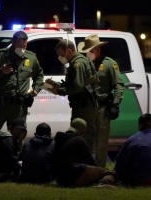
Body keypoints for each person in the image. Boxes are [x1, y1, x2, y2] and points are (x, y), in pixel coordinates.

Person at [0, 31, 44, 139]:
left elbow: (39, 75)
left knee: (17, 138)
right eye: (19, 45)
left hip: (19, 107)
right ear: (13, 42)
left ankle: (15, 156)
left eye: (24, 46)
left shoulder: (31, 58)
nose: (22, 48)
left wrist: (36, 89)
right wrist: (1, 71)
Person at [77, 34, 125, 167]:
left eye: (91, 51)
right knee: (87, 138)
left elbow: (119, 85)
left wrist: (116, 103)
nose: (88, 54)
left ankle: (100, 169)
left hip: (102, 106)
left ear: (98, 50)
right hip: (86, 106)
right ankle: (88, 168)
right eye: (87, 51)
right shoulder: (83, 64)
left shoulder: (109, 64)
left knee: (101, 140)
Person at [45, 39, 99, 153]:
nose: (60, 57)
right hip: (83, 104)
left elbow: (77, 87)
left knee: (84, 136)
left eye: (61, 54)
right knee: (82, 135)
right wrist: (55, 85)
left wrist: (59, 90)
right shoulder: (77, 62)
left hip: (84, 105)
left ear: (69, 51)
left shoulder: (77, 64)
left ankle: (88, 164)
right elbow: (73, 84)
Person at [54, 118, 117, 188]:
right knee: (109, 173)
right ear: (83, 131)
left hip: (61, 179)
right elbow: (90, 161)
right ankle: (101, 183)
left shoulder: (60, 139)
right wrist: (98, 171)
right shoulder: (79, 140)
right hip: (74, 176)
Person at [0, 118, 27, 182]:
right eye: (17, 129)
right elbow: (12, 161)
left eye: (22, 131)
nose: (20, 133)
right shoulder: (8, 140)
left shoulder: (5, 137)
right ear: (10, 128)